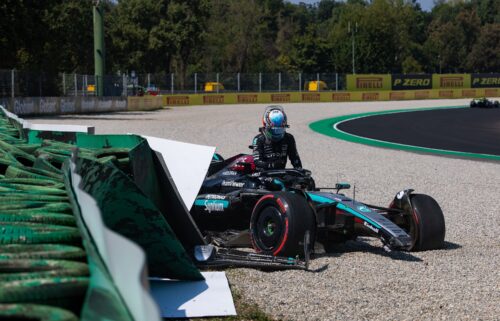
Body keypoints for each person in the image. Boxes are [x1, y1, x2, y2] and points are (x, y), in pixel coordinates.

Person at [252, 105, 302, 170]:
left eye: (280, 129)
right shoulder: (258, 139)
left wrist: (299, 170)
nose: (277, 133)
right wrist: (271, 165)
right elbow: (257, 161)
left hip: (280, 173)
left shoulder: (289, 138)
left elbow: (294, 158)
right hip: (262, 174)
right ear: (266, 125)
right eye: (274, 130)